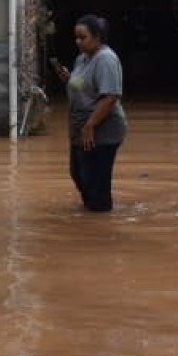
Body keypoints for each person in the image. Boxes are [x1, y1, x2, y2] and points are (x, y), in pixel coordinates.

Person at [55, 14, 126, 212]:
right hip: (83, 127)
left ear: (98, 37)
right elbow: (84, 86)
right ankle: (92, 211)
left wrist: (90, 125)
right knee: (78, 173)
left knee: (95, 179)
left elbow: (110, 97)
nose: (78, 42)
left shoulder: (106, 60)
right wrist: (68, 78)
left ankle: (100, 222)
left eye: (83, 37)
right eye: (76, 37)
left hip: (101, 128)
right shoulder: (83, 59)